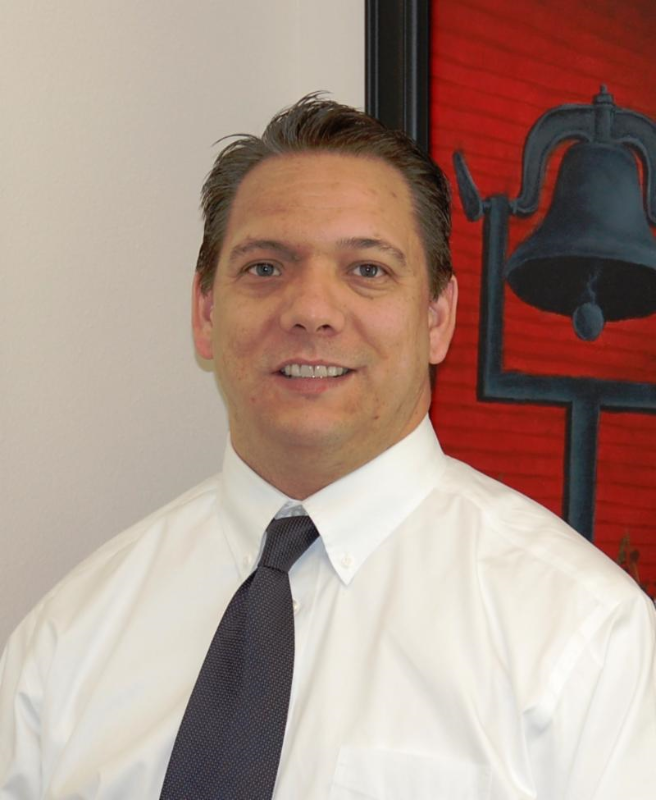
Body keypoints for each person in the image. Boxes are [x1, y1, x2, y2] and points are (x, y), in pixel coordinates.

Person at [1, 94, 655, 800]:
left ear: (438, 318)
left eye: (367, 270)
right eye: (265, 268)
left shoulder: (584, 636)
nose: (311, 311)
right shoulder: (66, 639)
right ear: (206, 313)